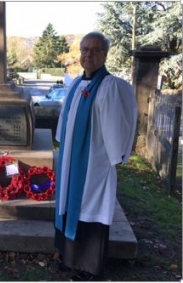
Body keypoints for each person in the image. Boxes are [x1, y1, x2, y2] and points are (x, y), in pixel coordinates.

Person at [54, 32, 137, 281]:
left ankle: (89, 266)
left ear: (105, 54)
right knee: (70, 205)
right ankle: (70, 259)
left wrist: (115, 156)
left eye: (95, 50)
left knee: (90, 208)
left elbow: (114, 125)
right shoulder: (76, 85)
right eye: (85, 49)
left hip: (94, 163)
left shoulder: (109, 86)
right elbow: (64, 125)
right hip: (71, 160)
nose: (88, 54)